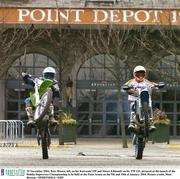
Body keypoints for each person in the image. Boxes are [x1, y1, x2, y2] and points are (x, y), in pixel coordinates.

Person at [123, 65, 157, 133]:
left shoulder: (146, 81)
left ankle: (151, 124)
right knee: (132, 108)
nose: (140, 75)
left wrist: (157, 85)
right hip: (133, 99)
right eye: (138, 73)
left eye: (142, 73)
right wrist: (129, 89)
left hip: (144, 98)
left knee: (151, 104)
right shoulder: (131, 81)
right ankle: (132, 123)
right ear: (134, 74)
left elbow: (153, 84)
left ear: (144, 74)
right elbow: (125, 86)